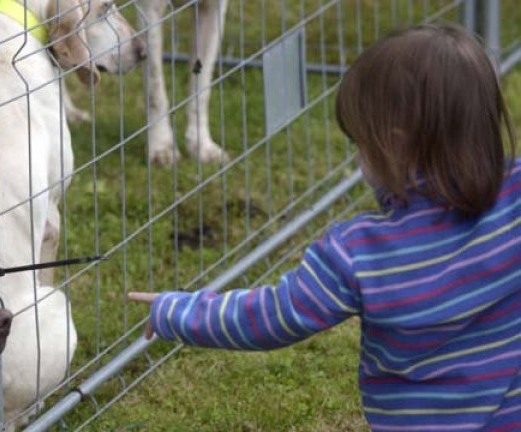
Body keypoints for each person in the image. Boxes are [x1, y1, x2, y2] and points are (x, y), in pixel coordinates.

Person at [130, 24, 521, 431]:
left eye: (360, 142)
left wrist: (176, 312)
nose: (358, 155)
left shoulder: (359, 252)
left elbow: (271, 315)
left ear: (396, 145)